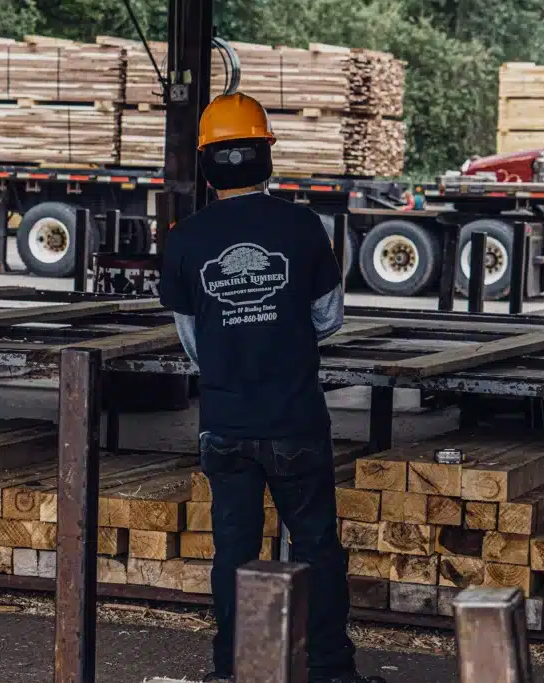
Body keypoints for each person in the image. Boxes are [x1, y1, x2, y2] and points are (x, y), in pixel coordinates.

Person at [159, 93, 384, 683]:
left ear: (207, 164)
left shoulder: (185, 239)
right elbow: (328, 319)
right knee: (315, 546)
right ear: (265, 156)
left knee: (233, 551)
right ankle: (330, 670)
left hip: (226, 425)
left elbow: (193, 340)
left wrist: (236, 343)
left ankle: (235, 670)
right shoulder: (303, 226)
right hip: (295, 420)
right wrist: (277, 325)